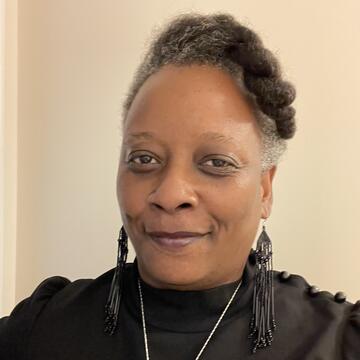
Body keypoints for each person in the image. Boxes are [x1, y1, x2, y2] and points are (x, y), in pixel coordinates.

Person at [1, 12, 359, 360]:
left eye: (216, 163)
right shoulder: (41, 330)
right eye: (144, 159)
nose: (171, 195)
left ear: (265, 189)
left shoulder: (337, 343)